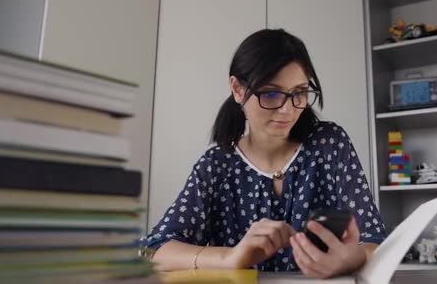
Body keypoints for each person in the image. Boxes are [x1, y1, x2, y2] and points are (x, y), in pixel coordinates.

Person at [142, 29, 386, 279]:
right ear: (237, 89)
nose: (287, 110)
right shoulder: (216, 166)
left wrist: (352, 258)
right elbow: (154, 248)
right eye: (271, 94)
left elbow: (374, 239)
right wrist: (230, 257)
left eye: (299, 93)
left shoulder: (329, 144)